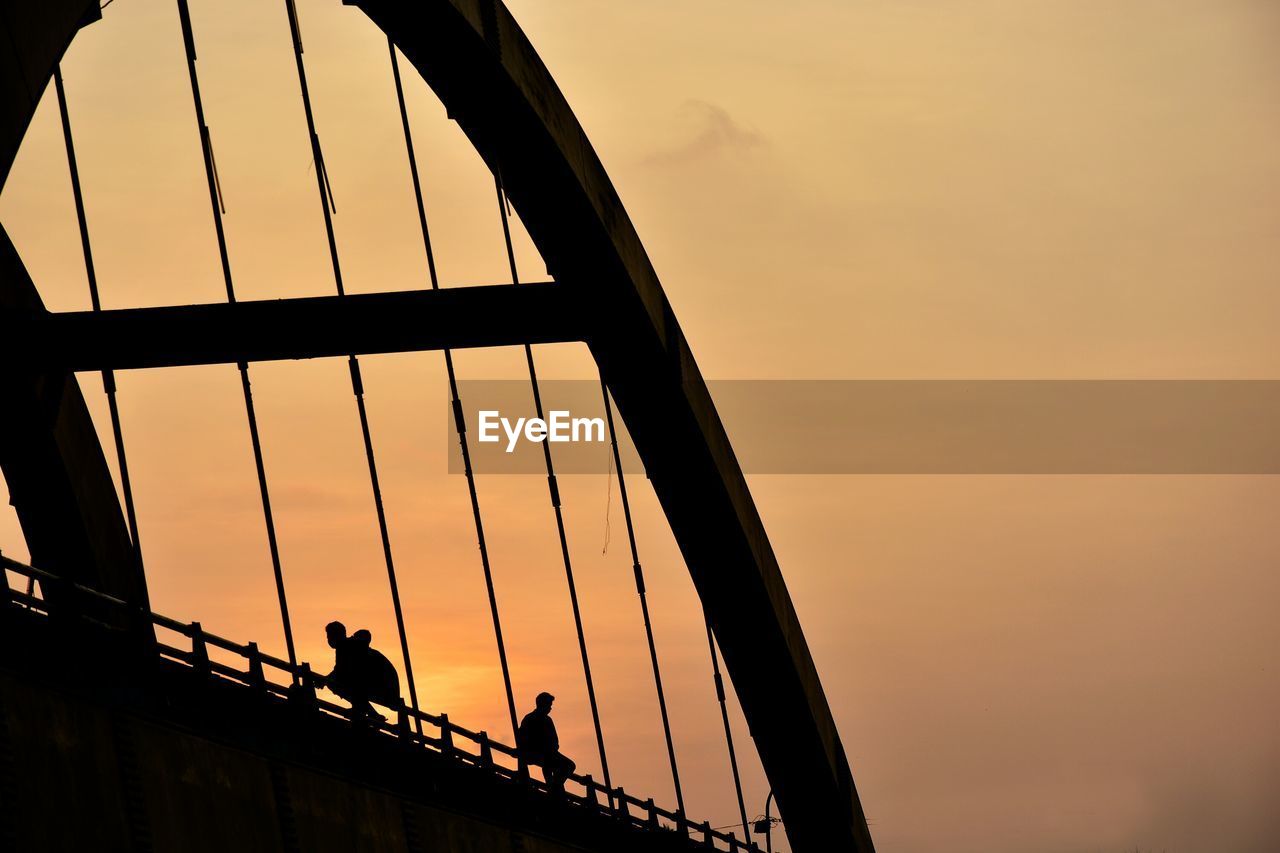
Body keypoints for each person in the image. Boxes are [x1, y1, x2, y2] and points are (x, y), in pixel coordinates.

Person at [323, 621, 400, 722]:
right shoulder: (351, 645)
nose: (328, 640)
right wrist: (326, 679)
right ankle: (372, 714)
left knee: (335, 684)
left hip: (385, 689)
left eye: (329, 636)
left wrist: (325, 681)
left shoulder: (345, 647)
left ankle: (366, 711)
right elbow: (339, 670)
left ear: (335, 635)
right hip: (387, 689)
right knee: (339, 681)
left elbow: (341, 673)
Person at [517, 691, 576, 792]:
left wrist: (553, 748)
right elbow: (522, 737)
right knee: (567, 765)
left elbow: (555, 740)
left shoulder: (544, 719)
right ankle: (555, 786)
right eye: (549, 705)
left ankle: (554, 785)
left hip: (547, 753)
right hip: (536, 753)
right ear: (543, 704)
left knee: (564, 764)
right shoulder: (531, 719)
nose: (550, 708)